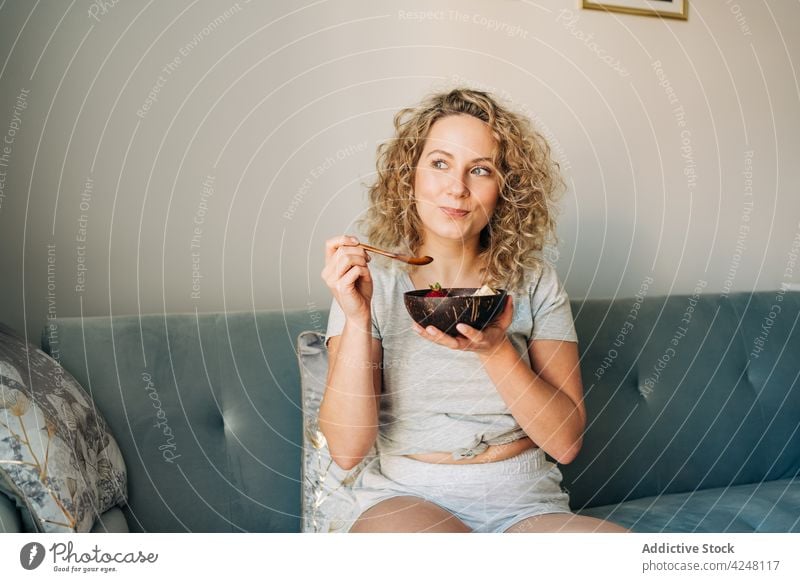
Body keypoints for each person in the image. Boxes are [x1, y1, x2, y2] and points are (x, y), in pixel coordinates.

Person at [319, 87, 628, 533]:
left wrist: (494, 349)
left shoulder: (534, 281)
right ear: (410, 176)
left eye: (479, 170)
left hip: (526, 501)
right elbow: (346, 450)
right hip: (409, 498)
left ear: (506, 189)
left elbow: (564, 443)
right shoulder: (372, 283)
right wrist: (356, 317)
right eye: (440, 163)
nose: (457, 188)